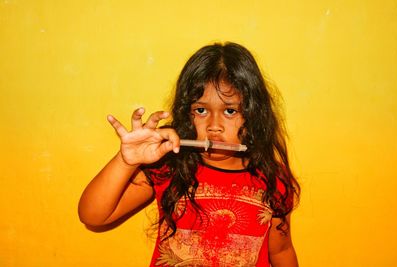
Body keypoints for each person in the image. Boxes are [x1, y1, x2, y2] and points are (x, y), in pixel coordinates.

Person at [78, 42, 300, 266]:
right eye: (201, 110)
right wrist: (126, 161)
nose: (215, 126)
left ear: (253, 114)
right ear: (187, 113)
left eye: (230, 111)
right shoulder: (170, 167)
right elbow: (93, 216)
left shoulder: (272, 179)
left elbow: (281, 251)